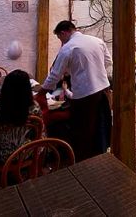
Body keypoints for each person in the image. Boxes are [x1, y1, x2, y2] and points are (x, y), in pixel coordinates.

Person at [37, 20, 112, 161]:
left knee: (84, 128)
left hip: (85, 95)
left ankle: (83, 159)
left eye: (60, 38)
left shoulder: (68, 48)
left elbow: (55, 74)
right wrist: (92, 70)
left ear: (63, 32)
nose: (61, 42)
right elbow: (108, 62)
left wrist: (41, 92)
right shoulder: (97, 41)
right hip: (103, 90)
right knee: (101, 122)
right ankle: (101, 152)